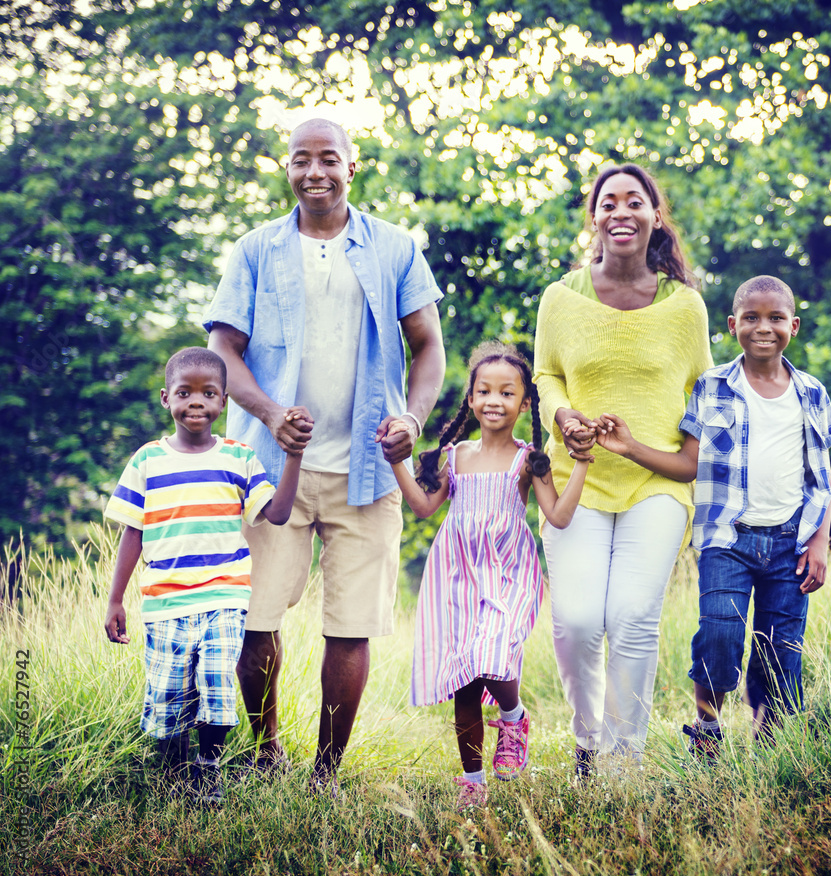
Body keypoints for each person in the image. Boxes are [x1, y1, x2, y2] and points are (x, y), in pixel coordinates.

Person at [204, 117, 446, 794]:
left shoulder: (395, 248)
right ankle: (266, 747)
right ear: (286, 167)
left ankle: (326, 772)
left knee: (352, 625)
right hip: (269, 468)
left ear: (352, 165)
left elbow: (428, 344)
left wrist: (412, 418)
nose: (315, 172)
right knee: (257, 616)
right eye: (301, 160)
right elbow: (223, 348)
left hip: (368, 470)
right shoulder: (255, 249)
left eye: (329, 159)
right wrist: (272, 414)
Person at [599, 275, 831, 757]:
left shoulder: (812, 393)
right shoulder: (713, 388)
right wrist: (629, 448)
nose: (763, 327)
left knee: (780, 648)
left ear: (794, 325)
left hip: (791, 541)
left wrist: (819, 543)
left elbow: (822, 478)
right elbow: (689, 464)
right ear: (733, 326)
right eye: (751, 318)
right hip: (727, 539)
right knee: (720, 634)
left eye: (775, 318)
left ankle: (769, 741)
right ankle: (707, 727)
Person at [533, 163, 713, 775]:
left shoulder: (685, 307)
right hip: (576, 481)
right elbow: (546, 375)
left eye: (634, 201)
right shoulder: (560, 298)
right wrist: (562, 417)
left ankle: (623, 761)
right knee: (579, 621)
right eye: (608, 202)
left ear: (654, 216)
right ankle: (588, 743)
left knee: (633, 618)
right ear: (594, 217)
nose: (621, 212)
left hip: (656, 481)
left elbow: (704, 393)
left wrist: (661, 452)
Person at [389, 341, 591, 808]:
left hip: (507, 572)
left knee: (491, 655)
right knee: (464, 678)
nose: (494, 401)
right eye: (484, 391)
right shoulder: (456, 455)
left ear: (524, 403)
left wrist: (581, 463)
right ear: (472, 399)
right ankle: (473, 782)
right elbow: (422, 508)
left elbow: (558, 517)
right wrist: (396, 462)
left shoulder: (528, 459)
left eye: (506, 393)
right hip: (456, 572)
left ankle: (514, 715)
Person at [103, 348, 306, 804]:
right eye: (184, 392)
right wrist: (115, 600)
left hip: (224, 598)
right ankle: (175, 775)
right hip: (165, 601)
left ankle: (209, 768)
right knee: (169, 694)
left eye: (208, 393)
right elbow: (132, 534)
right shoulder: (146, 461)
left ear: (223, 403)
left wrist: (293, 455)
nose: (196, 401)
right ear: (165, 399)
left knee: (216, 686)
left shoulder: (239, 457)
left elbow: (276, 514)